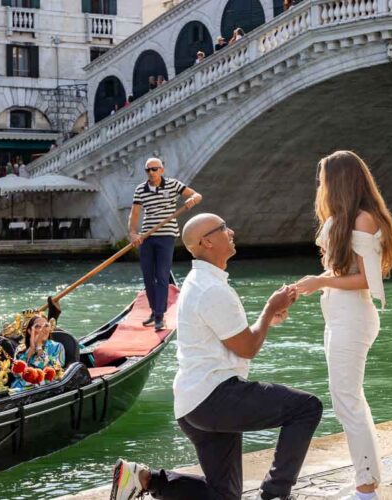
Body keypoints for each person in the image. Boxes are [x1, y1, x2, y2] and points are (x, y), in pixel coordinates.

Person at [111, 213, 323, 500]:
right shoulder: (212, 289)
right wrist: (270, 308)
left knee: (224, 496)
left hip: (194, 402)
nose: (231, 231)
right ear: (207, 241)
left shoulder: (201, 282)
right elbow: (246, 347)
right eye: (223, 228)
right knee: (307, 408)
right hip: (215, 397)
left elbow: (232, 339)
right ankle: (275, 494)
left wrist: (267, 319)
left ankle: (146, 479)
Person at [293, 151, 392, 500]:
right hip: (338, 316)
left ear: (338, 182)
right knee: (347, 401)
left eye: (323, 179)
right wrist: (309, 285)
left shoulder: (363, 220)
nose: (320, 186)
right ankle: (365, 478)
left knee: (348, 402)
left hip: (353, 318)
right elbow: (341, 273)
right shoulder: (345, 218)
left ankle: (366, 488)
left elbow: (369, 280)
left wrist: (321, 282)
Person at [128, 157, 202, 332]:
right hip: (147, 237)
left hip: (166, 236)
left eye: (155, 169)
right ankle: (155, 311)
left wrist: (192, 199)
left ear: (162, 170)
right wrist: (132, 233)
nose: (151, 173)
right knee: (148, 277)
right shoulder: (140, 189)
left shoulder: (173, 185)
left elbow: (197, 195)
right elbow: (135, 214)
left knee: (161, 276)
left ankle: (160, 317)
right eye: (148, 170)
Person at [11, 315, 65, 390]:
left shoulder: (57, 347)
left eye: (46, 326)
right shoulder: (20, 349)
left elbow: (54, 371)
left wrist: (39, 347)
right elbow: (16, 374)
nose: (43, 329)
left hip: (45, 387)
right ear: (30, 331)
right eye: (38, 326)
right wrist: (31, 349)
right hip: (20, 387)